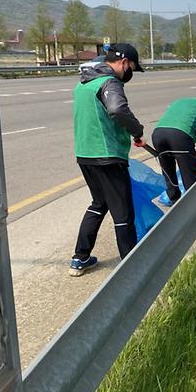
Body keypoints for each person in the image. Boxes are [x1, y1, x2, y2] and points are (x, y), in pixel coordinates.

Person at [70, 43, 145, 276]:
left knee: (99, 204)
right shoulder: (110, 82)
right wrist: (137, 130)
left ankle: (80, 258)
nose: (130, 72)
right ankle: (131, 266)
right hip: (107, 156)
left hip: (85, 154)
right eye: (131, 67)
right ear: (123, 63)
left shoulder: (83, 83)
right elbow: (117, 110)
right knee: (122, 212)